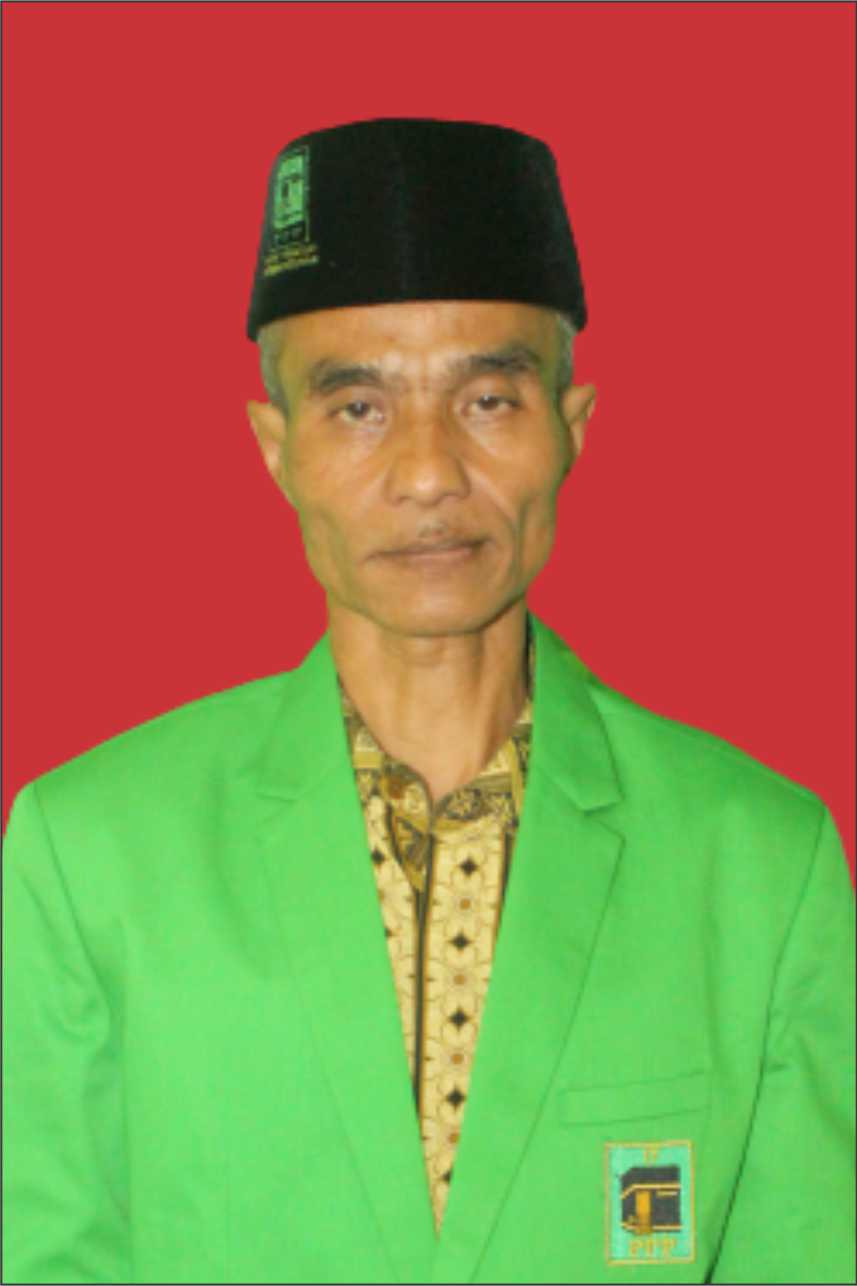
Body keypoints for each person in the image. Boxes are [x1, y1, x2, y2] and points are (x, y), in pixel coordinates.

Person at [3, 118, 854, 1286]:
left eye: (488, 400)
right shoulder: (90, 851)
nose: (425, 473)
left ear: (571, 428)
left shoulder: (757, 864)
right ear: (274, 447)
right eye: (356, 407)